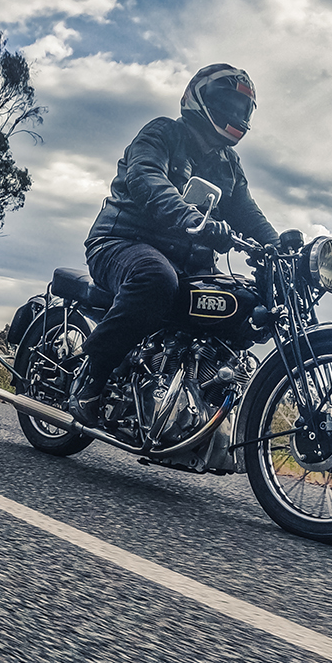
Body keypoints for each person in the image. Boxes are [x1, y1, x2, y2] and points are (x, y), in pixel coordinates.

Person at [70, 63, 279, 428]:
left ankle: (202, 397)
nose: (234, 114)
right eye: (226, 103)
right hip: (122, 242)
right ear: (198, 99)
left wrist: (283, 250)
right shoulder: (163, 132)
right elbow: (146, 176)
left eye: (241, 108)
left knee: (246, 303)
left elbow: (248, 214)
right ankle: (93, 377)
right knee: (155, 279)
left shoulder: (228, 163)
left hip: (188, 263)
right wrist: (187, 216)